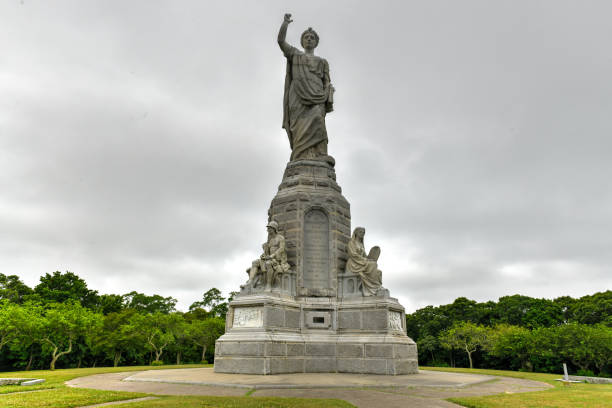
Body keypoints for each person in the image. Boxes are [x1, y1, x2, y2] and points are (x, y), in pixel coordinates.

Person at [278, 13, 334, 162]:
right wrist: (285, 24)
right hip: (297, 96)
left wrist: (329, 90)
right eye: (306, 37)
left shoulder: (322, 62)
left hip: (318, 96)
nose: (309, 39)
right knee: (299, 125)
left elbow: (326, 81)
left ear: (316, 42)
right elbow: (281, 41)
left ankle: (320, 154)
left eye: (312, 38)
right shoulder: (295, 54)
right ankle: (300, 155)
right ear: (302, 42)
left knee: (318, 120)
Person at [247, 221, 291, 290]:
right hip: (269, 257)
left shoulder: (280, 238)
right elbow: (267, 252)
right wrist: (263, 255)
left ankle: (268, 284)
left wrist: (273, 256)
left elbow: (281, 249)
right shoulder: (270, 240)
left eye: (269, 228)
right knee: (254, 262)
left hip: (277, 259)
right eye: (268, 228)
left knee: (268, 264)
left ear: (274, 229)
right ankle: (250, 282)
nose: (268, 230)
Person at [346, 227, 383, 296]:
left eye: (363, 233)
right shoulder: (352, 243)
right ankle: (374, 289)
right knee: (372, 265)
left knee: (378, 271)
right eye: (360, 232)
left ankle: (377, 287)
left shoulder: (361, 244)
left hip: (361, 262)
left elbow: (365, 256)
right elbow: (353, 255)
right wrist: (365, 260)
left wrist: (371, 256)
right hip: (354, 263)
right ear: (356, 233)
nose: (362, 234)